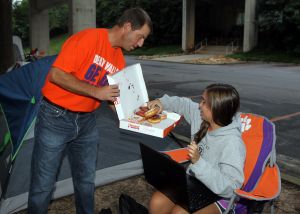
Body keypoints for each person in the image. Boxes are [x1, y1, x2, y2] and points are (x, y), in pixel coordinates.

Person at [28, 8, 152, 214]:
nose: (141, 44)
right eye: (140, 37)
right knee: (43, 186)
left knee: (86, 181)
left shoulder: (119, 59)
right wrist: (96, 91)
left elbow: (112, 98)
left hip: (86, 123)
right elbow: (56, 75)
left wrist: (135, 114)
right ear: (128, 27)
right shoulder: (88, 38)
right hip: (55, 118)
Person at [147, 83, 246, 214]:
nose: (199, 105)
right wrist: (161, 102)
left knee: (179, 213)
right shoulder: (200, 117)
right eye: (201, 100)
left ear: (216, 109)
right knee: (156, 202)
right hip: (195, 183)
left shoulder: (232, 143)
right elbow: (183, 104)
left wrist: (199, 163)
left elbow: (231, 188)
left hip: (220, 196)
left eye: (204, 102)